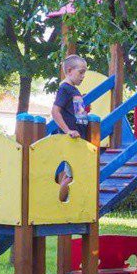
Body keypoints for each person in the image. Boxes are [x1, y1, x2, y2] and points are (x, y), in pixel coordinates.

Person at [52, 55, 90, 200]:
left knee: (72, 173)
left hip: (79, 139)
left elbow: (75, 112)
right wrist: (68, 131)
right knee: (71, 175)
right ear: (69, 71)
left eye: (84, 72)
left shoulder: (73, 90)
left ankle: (65, 202)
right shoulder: (65, 89)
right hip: (72, 139)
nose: (83, 76)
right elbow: (55, 112)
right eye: (81, 72)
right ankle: (59, 203)